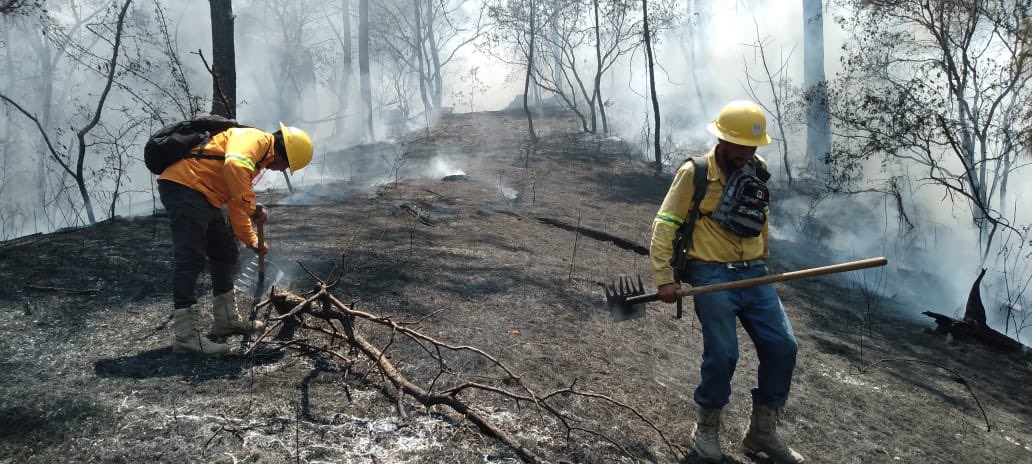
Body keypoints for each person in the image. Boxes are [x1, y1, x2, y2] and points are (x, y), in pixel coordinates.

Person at [648, 101, 804, 463]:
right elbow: (665, 223)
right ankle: (705, 431)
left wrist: (763, 258)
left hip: (754, 272)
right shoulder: (696, 172)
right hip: (710, 272)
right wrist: (664, 279)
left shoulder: (758, 170)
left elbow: (759, 218)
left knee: (783, 346)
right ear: (722, 139)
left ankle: (761, 434)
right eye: (739, 145)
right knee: (723, 354)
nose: (746, 152)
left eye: (752, 146)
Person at [158, 122, 313, 355]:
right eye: (285, 166)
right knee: (190, 259)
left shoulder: (258, 157)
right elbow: (233, 168)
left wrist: (251, 240)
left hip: (203, 194)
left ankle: (225, 320)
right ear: (284, 153)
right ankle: (186, 336)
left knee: (225, 252)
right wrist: (253, 209)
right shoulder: (256, 139)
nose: (281, 170)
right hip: (185, 187)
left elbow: (235, 200)